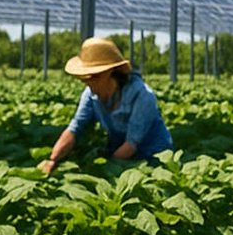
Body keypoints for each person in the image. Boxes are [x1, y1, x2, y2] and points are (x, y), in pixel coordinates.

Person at [38, 37, 172, 173]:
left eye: (92, 76)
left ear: (108, 73)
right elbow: (74, 128)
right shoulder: (90, 93)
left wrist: (103, 170)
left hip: (154, 157)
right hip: (120, 155)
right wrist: (52, 160)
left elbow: (132, 144)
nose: (86, 82)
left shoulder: (142, 95)